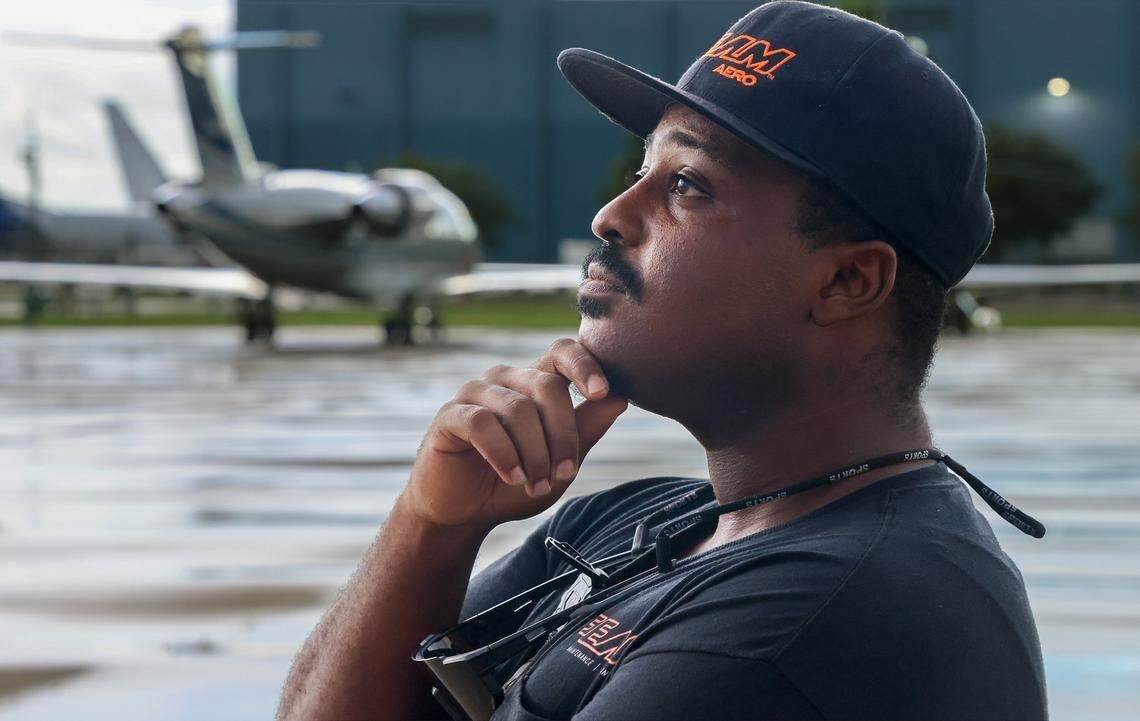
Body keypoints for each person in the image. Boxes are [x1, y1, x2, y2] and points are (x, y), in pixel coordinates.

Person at [276, 2, 1047, 719]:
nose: (611, 215)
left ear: (847, 281)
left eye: (686, 184)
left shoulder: (824, 613)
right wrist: (430, 528)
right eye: (639, 171)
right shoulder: (633, 522)